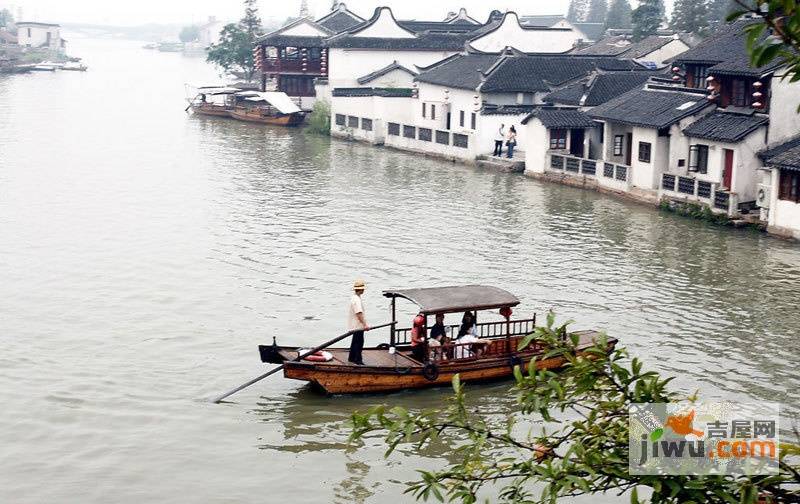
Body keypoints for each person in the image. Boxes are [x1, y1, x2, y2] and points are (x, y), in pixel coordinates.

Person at [347, 278, 369, 365]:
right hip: (357, 325)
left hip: (355, 325)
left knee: (355, 341)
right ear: (361, 289)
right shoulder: (356, 299)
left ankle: (351, 357)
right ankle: (358, 360)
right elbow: (359, 313)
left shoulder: (355, 298)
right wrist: (365, 325)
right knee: (359, 342)